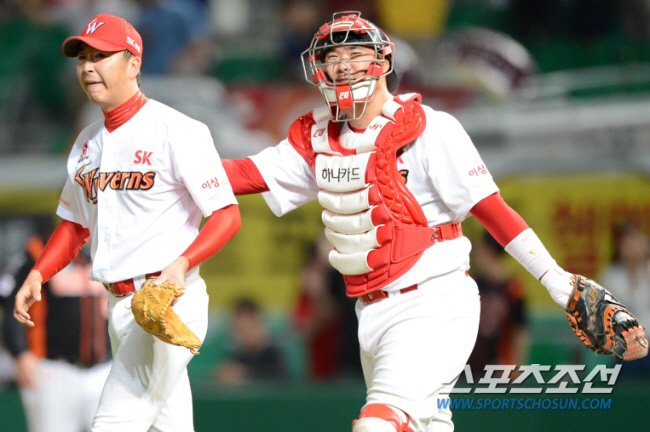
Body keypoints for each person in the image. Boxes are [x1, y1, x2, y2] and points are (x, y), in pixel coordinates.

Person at [221, 11, 646, 432]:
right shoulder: (318, 138)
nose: (343, 63)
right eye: (332, 55)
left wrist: (558, 283)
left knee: (379, 424)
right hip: (369, 311)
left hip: (433, 302)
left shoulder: (431, 129)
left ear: (383, 62)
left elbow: (492, 210)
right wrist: (170, 165)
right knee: (426, 426)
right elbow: (243, 176)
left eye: (354, 51)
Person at [12, 14, 241, 432]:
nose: (87, 67)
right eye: (82, 57)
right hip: (118, 306)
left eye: (101, 56)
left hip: (167, 303)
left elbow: (227, 215)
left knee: (113, 423)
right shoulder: (86, 142)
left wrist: (180, 265)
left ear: (133, 63)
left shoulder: (177, 130)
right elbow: (74, 226)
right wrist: (39, 273)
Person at [1, 226, 111, 432]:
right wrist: (20, 352)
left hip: (106, 370)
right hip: (54, 370)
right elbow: (13, 303)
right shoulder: (40, 248)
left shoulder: (117, 247)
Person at [293, 237, 362, 380]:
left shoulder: (342, 282)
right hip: (321, 372)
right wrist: (317, 294)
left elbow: (336, 312)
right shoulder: (307, 298)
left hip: (350, 361)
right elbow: (305, 329)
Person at [467, 231, 528, 376]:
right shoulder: (472, 285)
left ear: (489, 251)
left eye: (479, 250)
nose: (475, 256)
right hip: (470, 368)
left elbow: (519, 332)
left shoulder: (513, 290)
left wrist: (516, 369)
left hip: (500, 370)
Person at [214, 297, 286, 385]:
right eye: (239, 329)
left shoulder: (274, 355)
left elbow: (279, 384)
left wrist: (246, 375)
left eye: (248, 326)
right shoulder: (235, 358)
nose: (244, 334)